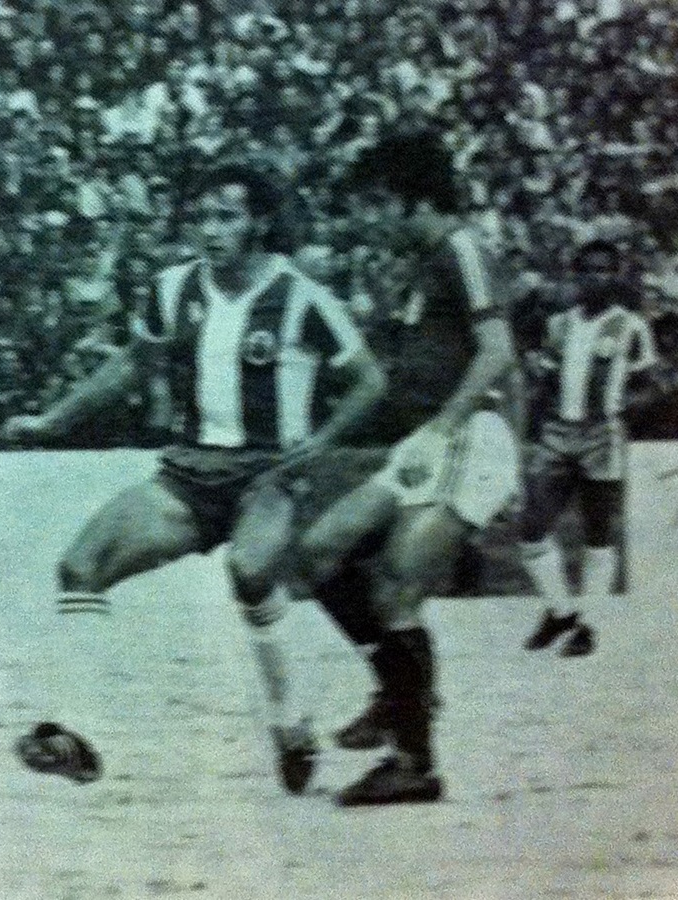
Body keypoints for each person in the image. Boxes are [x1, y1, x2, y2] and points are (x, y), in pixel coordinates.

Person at [1, 159, 387, 795]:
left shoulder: (302, 298)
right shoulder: (173, 288)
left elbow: (368, 381)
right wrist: (54, 419)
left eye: (226, 217)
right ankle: (71, 734)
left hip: (269, 472)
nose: (210, 230)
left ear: (258, 223)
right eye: (202, 217)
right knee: (80, 566)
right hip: (191, 472)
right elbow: (134, 364)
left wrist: (317, 445)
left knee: (251, 571)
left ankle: (290, 723)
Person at [298, 130, 521, 806]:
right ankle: (399, 690)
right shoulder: (422, 267)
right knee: (319, 550)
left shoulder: (462, 248)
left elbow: (497, 353)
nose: (370, 219)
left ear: (411, 199)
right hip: (426, 441)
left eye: (377, 203)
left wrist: (449, 429)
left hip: (467, 436)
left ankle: (414, 762)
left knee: (396, 587)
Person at [520, 238, 657, 657]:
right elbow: (546, 380)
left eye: (604, 270)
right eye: (588, 270)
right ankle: (561, 611)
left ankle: (589, 624)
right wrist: (535, 409)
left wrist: (620, 411)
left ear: (616, 277)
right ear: (575, 275)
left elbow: (649, 385)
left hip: (602, 436)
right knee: (531, 529)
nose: (596, 278)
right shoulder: (559, 325)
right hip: (557, 433)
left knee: (597, 533)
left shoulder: (631, 327)